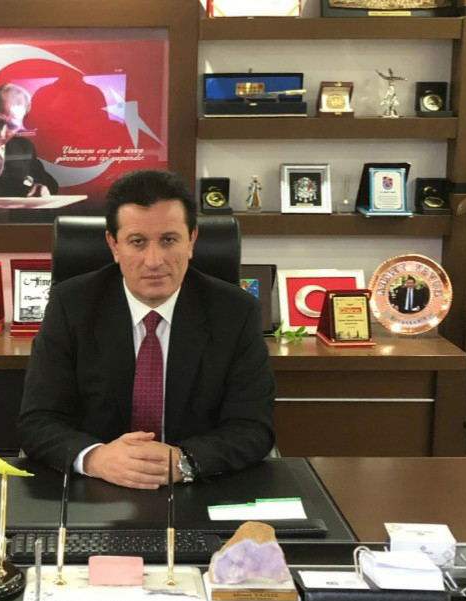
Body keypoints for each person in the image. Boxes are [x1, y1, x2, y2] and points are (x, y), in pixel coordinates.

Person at [17, 170, 275, 489]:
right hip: (97, 488)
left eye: (169, 240)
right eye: (137, 242)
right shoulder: (71, 305)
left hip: (196, 486)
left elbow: (252, 427)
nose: (154, 261)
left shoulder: (235, 312)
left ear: (192, 240)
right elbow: (38, 420)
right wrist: (94, 458)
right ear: (114, 245)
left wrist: (185, 461)